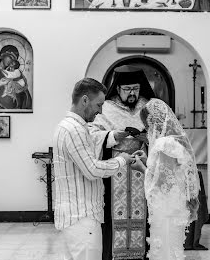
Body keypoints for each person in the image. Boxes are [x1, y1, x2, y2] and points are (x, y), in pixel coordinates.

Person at [53, 78, 145, 260]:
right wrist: (121, 160)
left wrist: (114, 138)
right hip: (82, 217)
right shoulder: (74, 130)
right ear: (85, 100)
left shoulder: (70, 127)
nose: (101, 111)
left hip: (78, 215)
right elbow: (92, 170)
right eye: (98, 105)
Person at [88, 65, 155, 260]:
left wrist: (146, 138)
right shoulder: (106, 108)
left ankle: (141, 255)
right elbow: (91, 135)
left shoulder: (148, 106)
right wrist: (112, 135)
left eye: (135, 88)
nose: (132, 93)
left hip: (143, 169)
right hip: (115, 170)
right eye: (127, 89)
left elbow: (163, 136)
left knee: (144, 214)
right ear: (118, 89)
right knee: (113, 214)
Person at [132, 98, 201, 260]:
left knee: (165, 247)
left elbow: (162, 181)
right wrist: (147, 159)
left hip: (165, 205)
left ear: (153, 123)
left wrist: (141, 168)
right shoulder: (173, 142)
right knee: (172, 247)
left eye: (147, 126)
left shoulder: (163, 144)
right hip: (174, 203)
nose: (147, 131)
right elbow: (167, 171)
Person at [0, 45, 32, 110]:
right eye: (10, 57)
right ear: (2, 55)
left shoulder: (16, 71)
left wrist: (19, 86)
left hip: (16, 110)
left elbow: (25, 93)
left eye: (14, 60)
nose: (12, 61)